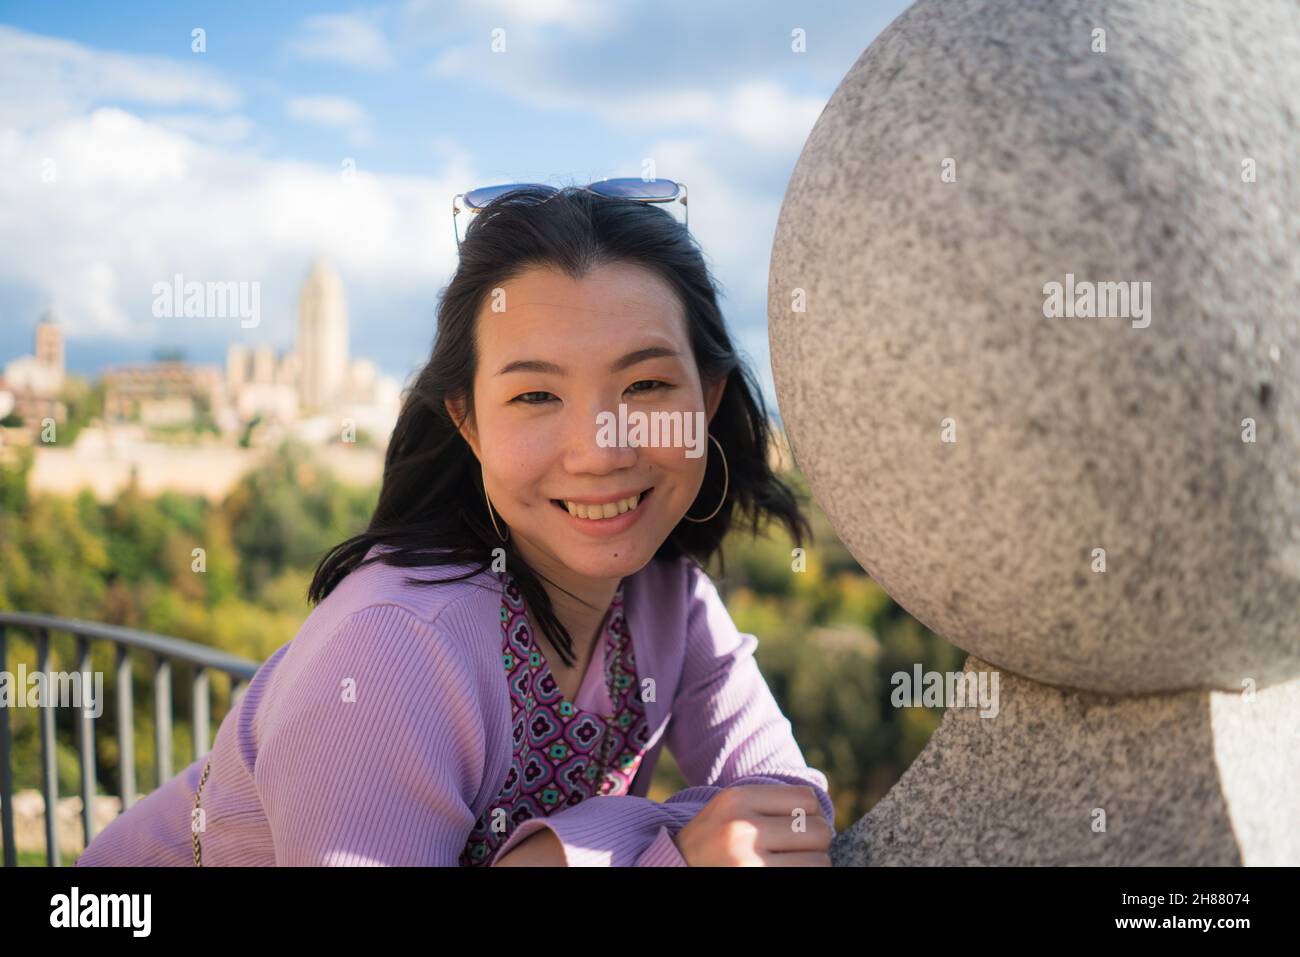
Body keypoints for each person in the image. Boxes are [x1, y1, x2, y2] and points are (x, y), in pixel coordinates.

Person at [77, 184, 834, 866]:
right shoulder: (394, 646)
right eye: (536, 396)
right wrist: (642, 851)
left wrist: (590, 844)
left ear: (706, 399)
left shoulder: (670, 600)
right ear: (468, 424)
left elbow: (793, 810)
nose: (601, 450)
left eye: (645, 384)